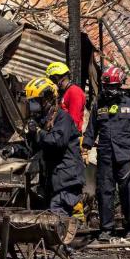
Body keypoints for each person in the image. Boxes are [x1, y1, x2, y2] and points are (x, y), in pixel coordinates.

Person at [83, 66, 130, 242]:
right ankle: (106, 229)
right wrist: (86, 149)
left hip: (126, 157)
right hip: (105, 157)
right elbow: (91, 129)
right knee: (104, 192)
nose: (109, 91)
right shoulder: (99, 106)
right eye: (107, 87)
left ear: (120, 86)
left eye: (113, 87)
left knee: (129, 191)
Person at [24, 77, 85, 217]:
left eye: (36, 101)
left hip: (66, 179)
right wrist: (15, 149)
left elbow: (56, 141)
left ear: (49, 98)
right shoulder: (44, 121)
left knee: (57, 217)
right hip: (52, 180)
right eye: (31, 102)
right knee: (50, 219)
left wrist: (38, 132)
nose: (33, 106)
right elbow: (34, 148)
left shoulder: (63, 118)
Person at [45, 61, 85, 131]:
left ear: (57, 78)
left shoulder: (74, 92)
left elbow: (73, 123)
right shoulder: (64, 92)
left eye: (52, 80)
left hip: (70, 138)